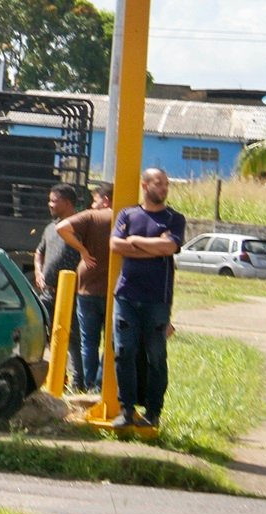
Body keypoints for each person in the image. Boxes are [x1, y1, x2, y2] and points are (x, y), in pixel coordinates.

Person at [109, 167, 185, 428]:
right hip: (126, 296)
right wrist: (153, 248)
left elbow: (170, 247)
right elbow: (115, 246)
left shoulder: (174, 218)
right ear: (145, 185)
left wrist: (135, 242)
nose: (163, 188)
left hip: (157, 299)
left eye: (166, 184)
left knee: (155, 356)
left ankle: (153, 413)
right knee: (123, 351)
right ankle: (126, 409)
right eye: (158, 183)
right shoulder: (127, 214)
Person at [58, 183, 114, 393]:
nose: (93, 204)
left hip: (87, 287)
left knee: (88, 342)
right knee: (111, 341)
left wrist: (83, 250)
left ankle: (89, 385)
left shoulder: (91, 216)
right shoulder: (124, 217)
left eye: (95, 199)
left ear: (106, 200)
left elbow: (61, 228)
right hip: (113, 290)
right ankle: (102, 384)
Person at [35, 182, 83, 391]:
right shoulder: (49, 227)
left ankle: (79, 381)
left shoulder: (81, 227)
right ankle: (56, 377)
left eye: (54, 200)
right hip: (47, 293)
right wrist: (38, 271)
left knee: (73, 338)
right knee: (41, 332)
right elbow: (39, 251)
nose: (50, 204)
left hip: (71, 294)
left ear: (68, 203)